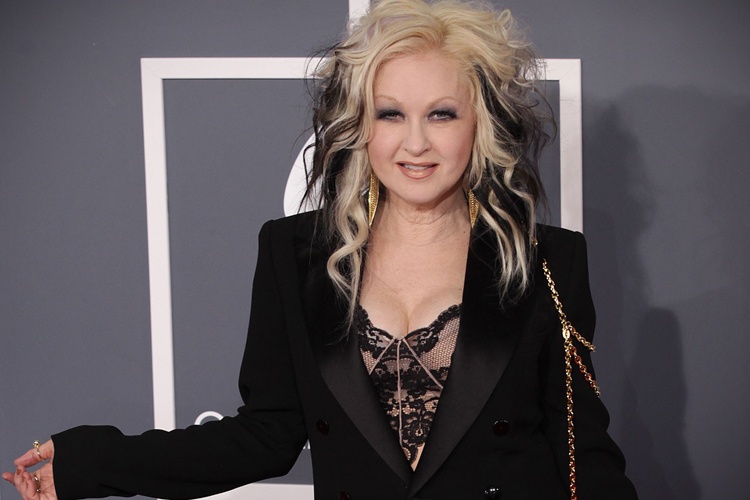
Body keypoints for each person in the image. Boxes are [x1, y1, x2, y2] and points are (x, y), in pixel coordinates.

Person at [3, 0, 638, 498]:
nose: (416, 143)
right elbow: (266, 435)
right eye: (391, 114)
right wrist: (92, 463)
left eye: (442, 114)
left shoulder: (546, 261)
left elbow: (583, 455)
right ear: (360, 125)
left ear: (480, 125)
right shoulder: (294, 255)